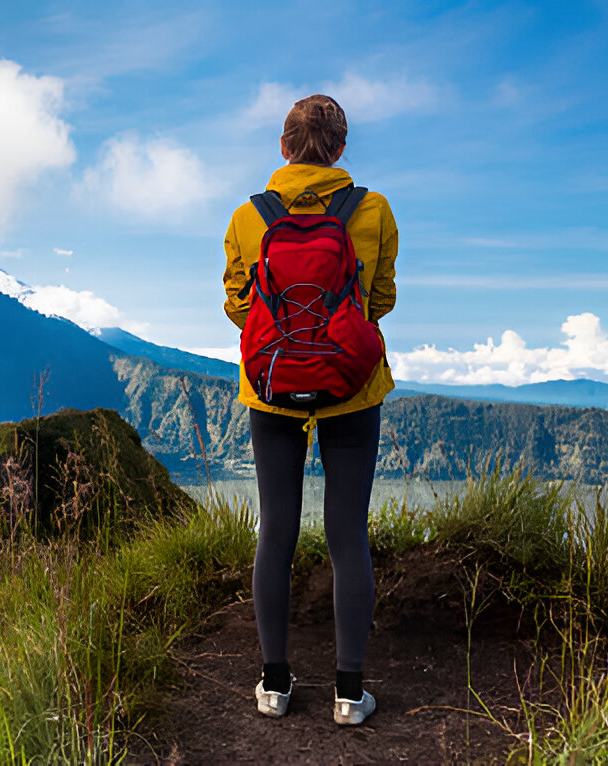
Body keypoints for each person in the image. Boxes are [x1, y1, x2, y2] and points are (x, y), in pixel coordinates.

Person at [221, 94, 398, 725]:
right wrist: (335, 342)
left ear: (282, 146)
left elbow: (240, 306)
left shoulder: (249, 217)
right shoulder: (372, 210)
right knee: (348, 533)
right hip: (352, 388)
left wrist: (288, 341)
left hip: (271, 388)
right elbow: (380, 300)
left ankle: (274, 685)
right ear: (341, 150)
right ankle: (349, 694)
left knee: (277, 528)